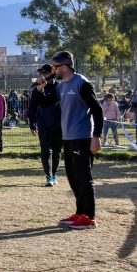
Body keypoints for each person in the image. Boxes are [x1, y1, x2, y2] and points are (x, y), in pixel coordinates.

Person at [49, 51, 103, 230]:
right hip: (68, 137)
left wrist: (96, 137)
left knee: (83, 177)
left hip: (82, 137)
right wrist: (41, 88)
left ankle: (89, 217)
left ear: (64, 66)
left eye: (55, 66)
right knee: (73, 177)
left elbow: (97, 110)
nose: (52, 70)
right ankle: (80, 212)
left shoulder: (82, 83)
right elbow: (46, 103)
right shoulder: (61, 86)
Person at [29, 64, 62, 187]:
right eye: (42, 74)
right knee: (45, 152)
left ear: (52, 74)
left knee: (57, 152)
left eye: (46, 73)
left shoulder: (59, 87)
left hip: (58, 125)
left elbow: (51, 101)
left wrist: (41, 90)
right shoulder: (36, 89)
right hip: (43, 125)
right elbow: (32, 107)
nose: (43, 76)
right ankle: (48, 177)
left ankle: (54, 174)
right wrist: (32, 125)